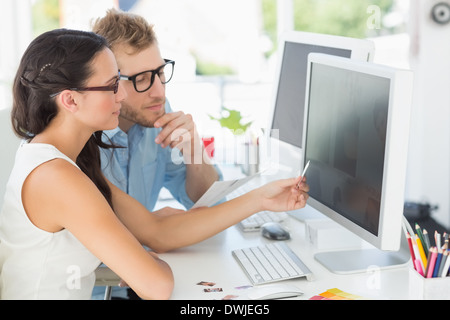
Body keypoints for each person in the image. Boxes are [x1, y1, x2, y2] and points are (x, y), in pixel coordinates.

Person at [0, 29, 309, 300]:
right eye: (111, 86)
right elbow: (156, 285)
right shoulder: (57, 176)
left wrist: (260, 198)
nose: (122, 95)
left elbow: (157, 230)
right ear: (70, 100)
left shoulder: (67, 158)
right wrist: (141, 261)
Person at [92, 9, 222, 212]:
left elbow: (209, 203)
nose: (159, 92)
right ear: (110, 82)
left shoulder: (158, 115)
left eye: (160, 73)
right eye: (141, 79)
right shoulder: (82, 137)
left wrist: (194, 152)